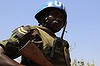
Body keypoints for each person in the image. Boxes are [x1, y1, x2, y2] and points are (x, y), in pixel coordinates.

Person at [0, 0, 71, 66]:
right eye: (55, 14)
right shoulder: (31, 32)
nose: (59, 19)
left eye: (62, 17)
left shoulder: (64, 44)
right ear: (44, 16)